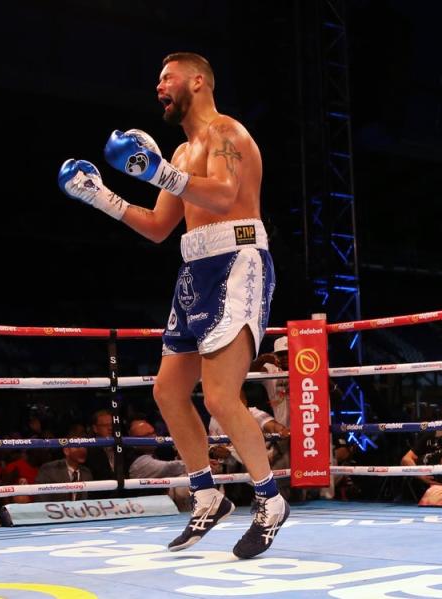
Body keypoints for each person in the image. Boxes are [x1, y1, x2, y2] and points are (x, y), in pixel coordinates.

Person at [58, 51, 286, 559]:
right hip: (193, 269)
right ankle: (207, 495)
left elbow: (225, 197)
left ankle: (270, 501)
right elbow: (161, 227)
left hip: (238, 259)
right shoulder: (180, 156)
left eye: (167, 77)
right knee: (167, 391)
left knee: (221, 396)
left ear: (198, 80)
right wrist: (103, 198)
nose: (159, 86)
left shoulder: (229, 132)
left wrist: (156, 172)